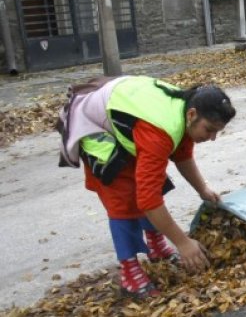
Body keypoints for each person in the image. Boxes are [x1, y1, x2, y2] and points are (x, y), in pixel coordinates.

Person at [57, 76, 236, 298]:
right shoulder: (160, 130)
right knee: (123, 199)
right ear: (192, 115)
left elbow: (182, 156)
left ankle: (156, 246)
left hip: (129, 120)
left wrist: (202, 189)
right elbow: (148, 200)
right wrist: (183, 242)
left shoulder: (185, 112)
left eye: (217, 132)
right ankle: (129, 273)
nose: (213, 138)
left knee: (152, 180)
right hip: (95, 126)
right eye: (209, 130)